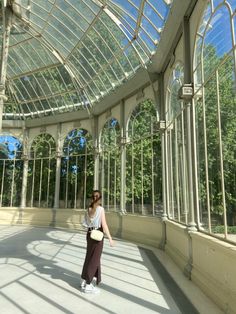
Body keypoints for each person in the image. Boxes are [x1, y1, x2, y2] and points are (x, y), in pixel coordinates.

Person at [80, 190, 115, 293]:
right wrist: (110, 239)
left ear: (92, 198)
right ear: (99, 199)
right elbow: (104, 225)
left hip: (89, 235)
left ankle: (83, 279)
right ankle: (88, 284)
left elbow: (84, 223)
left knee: (89, 257)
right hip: (98, 236)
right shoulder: (101, 209)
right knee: (94, 260)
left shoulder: (89, 209)